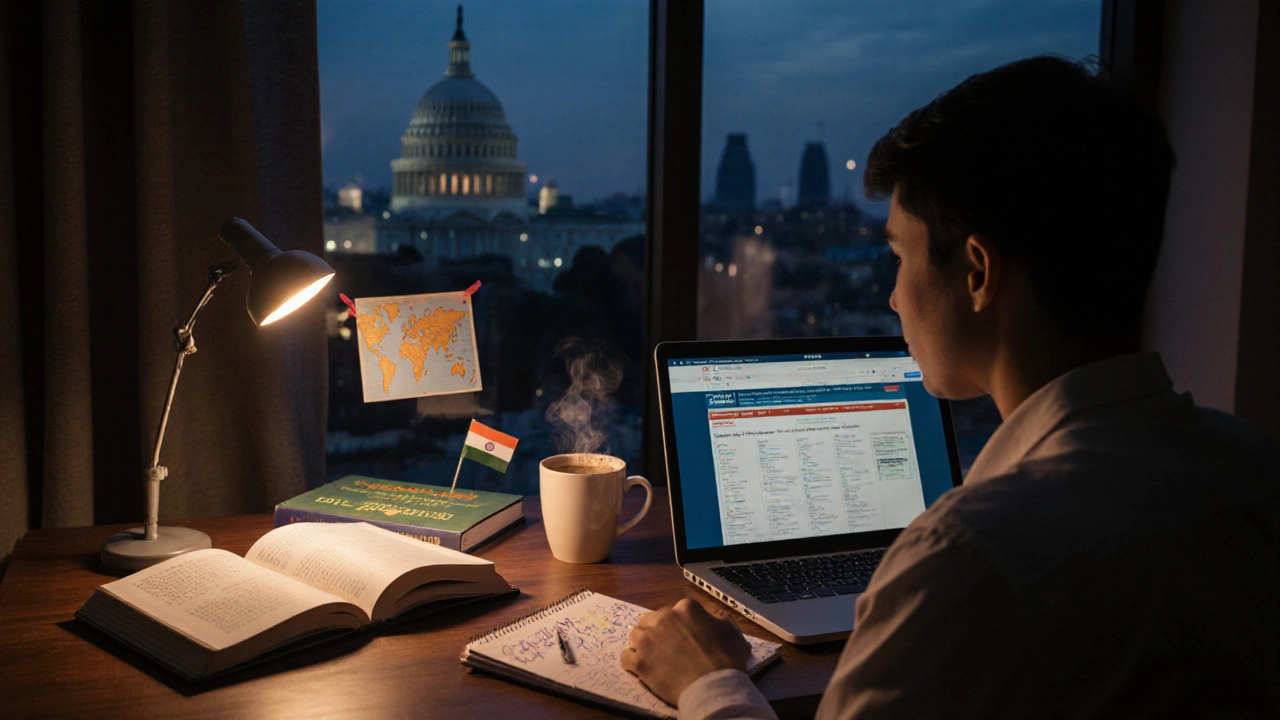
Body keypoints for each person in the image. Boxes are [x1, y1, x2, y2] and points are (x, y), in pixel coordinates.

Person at [621, 55, 1280, 719]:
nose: (893, 296)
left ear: (976, 273)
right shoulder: (1252, 467)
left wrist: (710, 682)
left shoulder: (965, 561)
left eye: (900, 256)